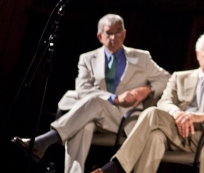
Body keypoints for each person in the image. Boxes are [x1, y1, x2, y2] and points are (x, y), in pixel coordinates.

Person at [11, 13, 171, 173]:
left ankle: (44, 142)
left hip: (125, 120)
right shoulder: (87, 59)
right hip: (91, 115)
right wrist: (114, 98)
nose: (114, 37)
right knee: (85, 124)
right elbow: (83, 89)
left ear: (124, 34)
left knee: (95, 102)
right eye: (109, 33)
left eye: (118, 32)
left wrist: (146, 89)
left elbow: (167, 79)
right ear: (100, 36)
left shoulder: (142, 57)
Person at [91, 30, 204, 173]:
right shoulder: (179, 77)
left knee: (152, 117)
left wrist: (200, 116)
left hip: (201, 138)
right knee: (155, 134)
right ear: (198, 54)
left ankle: (115, 167)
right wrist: (177, 113)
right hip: (174, 129)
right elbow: (164, 102)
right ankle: (118, 167)